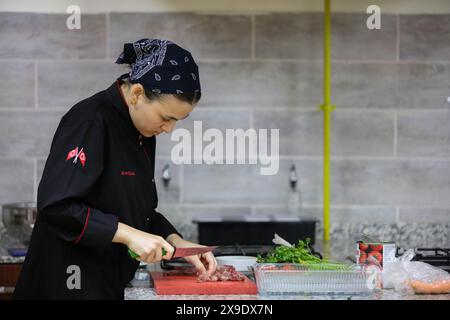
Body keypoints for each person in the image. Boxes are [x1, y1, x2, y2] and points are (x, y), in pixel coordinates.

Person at [13, 39, 217, 300]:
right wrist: (128, 234)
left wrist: (176, 241)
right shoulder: (89, 120)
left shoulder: (142, 131)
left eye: (178, 121)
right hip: (65, 285)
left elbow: (140, 210)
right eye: (166, 118)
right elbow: (56, 205)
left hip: (105, 281)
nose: (170, 129)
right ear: (137, 94)